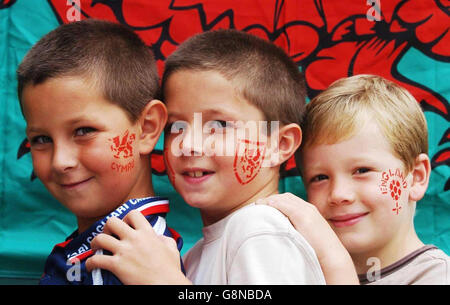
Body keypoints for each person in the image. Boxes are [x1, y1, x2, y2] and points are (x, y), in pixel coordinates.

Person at [86, 29, 359, 284]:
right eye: (175, 127)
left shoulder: (258, 230)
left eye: (219, 125)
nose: (188, 144)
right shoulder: (198, 254)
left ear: (279, 143)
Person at [16, 19, 183, 285]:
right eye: (42, 139)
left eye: (84, 131)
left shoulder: (130, 263)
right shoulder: (105, 247)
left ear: (148, 128)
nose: (61, 161)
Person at [258, 74, 450, 284]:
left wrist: (334, 260)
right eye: (320, 177)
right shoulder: (300, 275)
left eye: (362, 170)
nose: (339, 194)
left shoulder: (439, 277)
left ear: (416, 178)